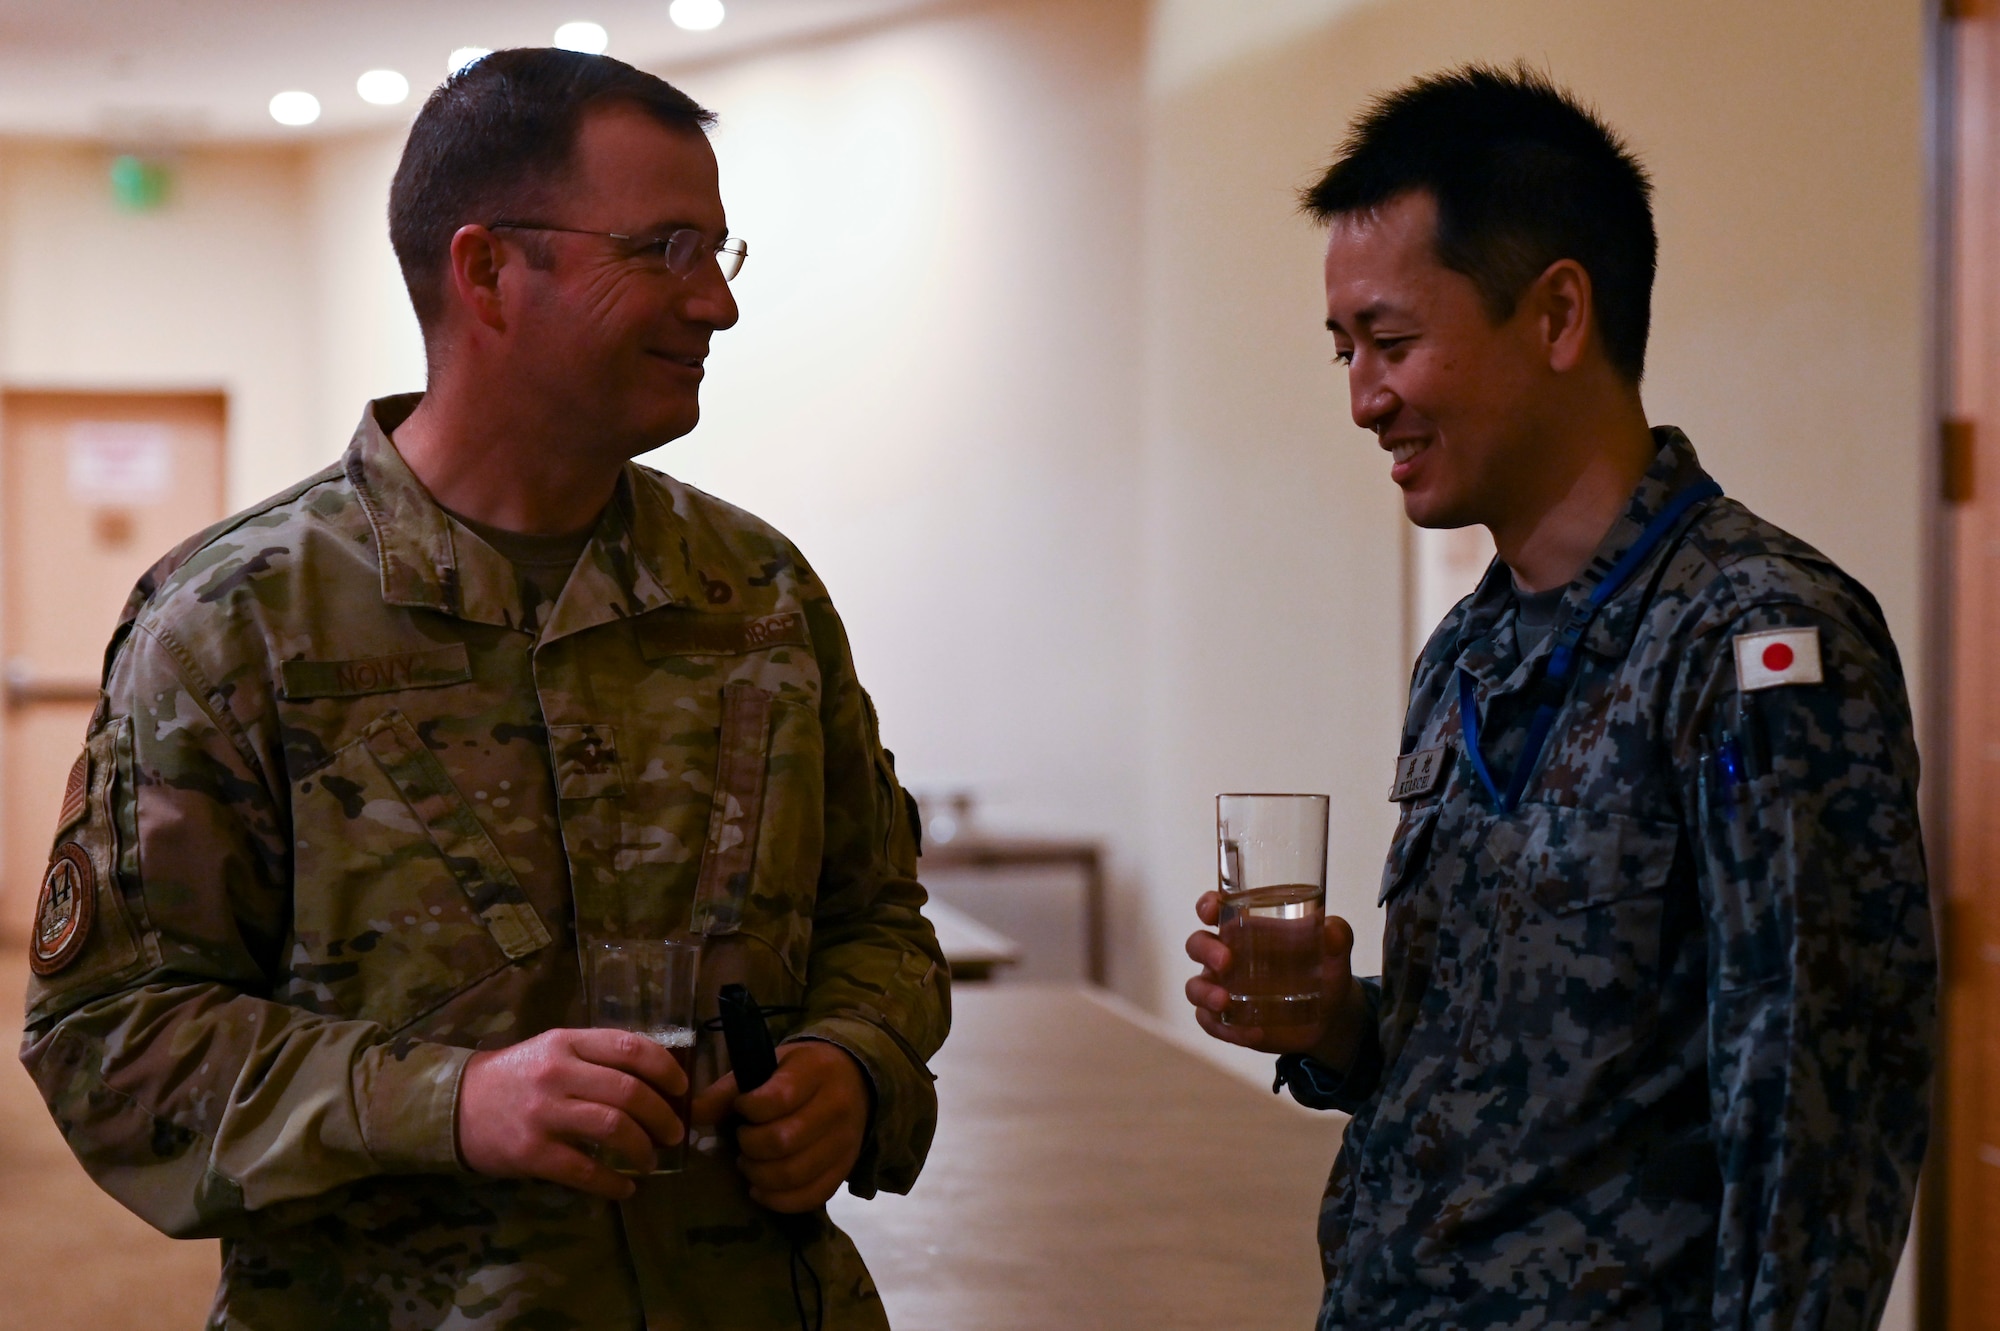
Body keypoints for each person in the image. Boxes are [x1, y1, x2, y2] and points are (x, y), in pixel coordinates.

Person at [20, 49, 948, 1331]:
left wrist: (855, 1065)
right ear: (487, 271)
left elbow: (880, 924)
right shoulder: (237, 622)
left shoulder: (756, 595)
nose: (714, 307)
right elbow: (109, 1038)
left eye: (719, 254)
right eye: (665, 248)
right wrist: (450, 1101)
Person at [1185, 65, 1934, 1329]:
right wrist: (1335, 1028)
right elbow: (1517, 1071)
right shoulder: (1468, 651)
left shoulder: (1754, 640)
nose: (1363, 398)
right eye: (1343, 350)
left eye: (1392, 342)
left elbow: (1819, 1122)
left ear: (1556, 314)